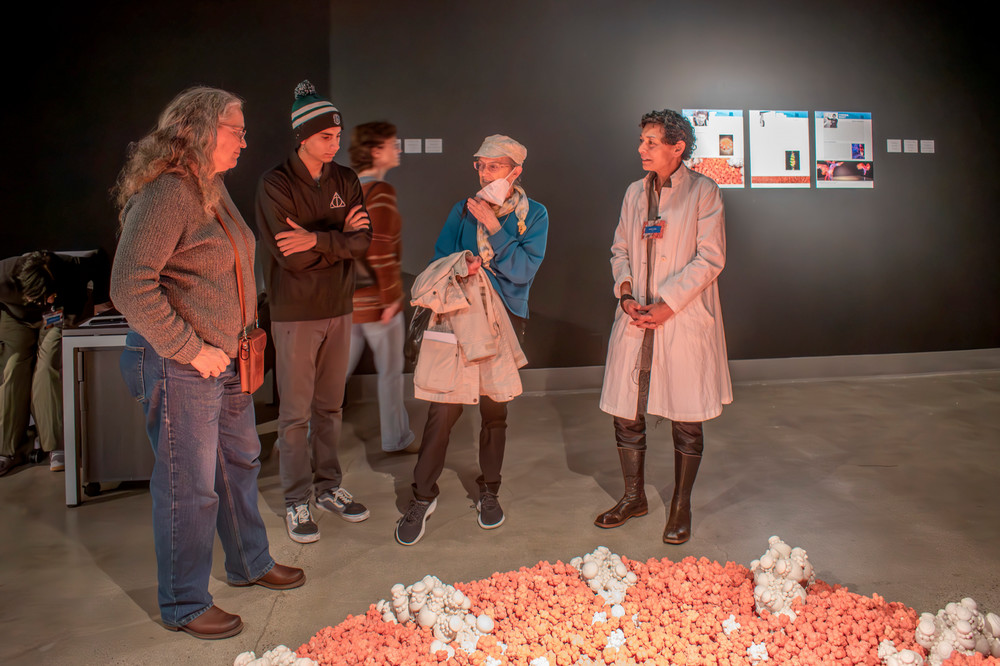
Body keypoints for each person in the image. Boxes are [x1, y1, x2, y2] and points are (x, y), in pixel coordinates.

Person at [111, 86, 304, 640]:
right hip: (181, 363)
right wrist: (191, 348)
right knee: (189, 486)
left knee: (238, 465)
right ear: (199, 130)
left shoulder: (209, 187)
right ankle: (185, 603)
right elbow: (129, 286)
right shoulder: (168, 193)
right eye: (236, 130)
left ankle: (251, 561)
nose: (245, 141)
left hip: (224, 362)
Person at [394, 134, 548, 546]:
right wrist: (461, 265)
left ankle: (489, 490)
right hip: (458, 318)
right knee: (441, 410)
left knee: (495, 411)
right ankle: (422, 496)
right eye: (479, 165)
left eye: (493, 166)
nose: (483, 173)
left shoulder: (535, 215)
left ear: (515, 171)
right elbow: (438, 259)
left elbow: (521, 271)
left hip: (505, 322)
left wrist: (495, 227)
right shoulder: (462, 210)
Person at [595, 109, 732, 545]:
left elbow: (711, 258)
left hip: (682, 318)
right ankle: (634, 497)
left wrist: (668, 304)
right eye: (641, 140)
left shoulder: (704, 192)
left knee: (686, 419)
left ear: (678, 147)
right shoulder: (634, 193)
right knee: (627, 412)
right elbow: (619, 248)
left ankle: (680, 506)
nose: (641, 149)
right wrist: (627, 292)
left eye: (651, 142)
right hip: (636, 317)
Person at [255, 80, 373, 544]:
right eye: (327, 135)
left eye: (338, 134)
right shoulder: (275, 184)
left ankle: (329, 487)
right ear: (303, 136)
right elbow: (290, 256)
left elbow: (363, 241)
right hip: (295, 312)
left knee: (331, 407)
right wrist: (338, 239)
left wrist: (318, 239)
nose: (336, 141)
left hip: (338, 307)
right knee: (295, 414)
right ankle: (295, 500)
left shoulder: (345, 178)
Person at [0, 250, 111, 476]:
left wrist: (101, 301)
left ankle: (56, 444)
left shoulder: (71, 266)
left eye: (49, 293)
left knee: (48, 365)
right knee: (12, 368)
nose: (46, 298)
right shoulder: (3, 275)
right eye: (42, 296)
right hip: (15, 317)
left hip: (56, 313)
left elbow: (100, 259)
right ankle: (8, 450)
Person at [346, 121, 416, 454]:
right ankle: (396, 438)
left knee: (332, 380)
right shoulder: (382, 193)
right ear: (376, 151)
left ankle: (305, 441)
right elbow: (381, 249)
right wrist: (392, 298)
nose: (397, 149)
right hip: (377, 302)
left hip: (347, 301)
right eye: (393, 144)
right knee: (389, 375)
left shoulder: (346, 190)